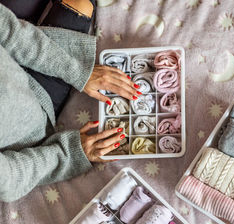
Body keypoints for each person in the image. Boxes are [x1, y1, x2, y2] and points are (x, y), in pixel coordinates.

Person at [0, 0, 139, 202]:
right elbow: (10, 180)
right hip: (39, 114)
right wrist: (68, 154)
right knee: (82, 7)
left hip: (21, 67)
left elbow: (12, 34)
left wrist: (78, 72)